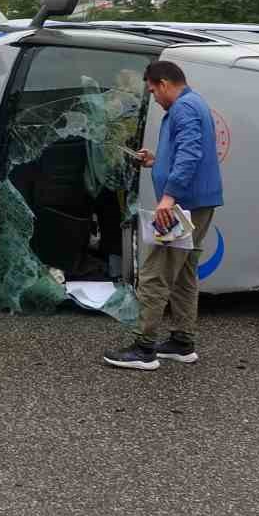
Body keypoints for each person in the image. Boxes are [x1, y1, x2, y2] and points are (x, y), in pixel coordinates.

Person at [103, 60, 223, 371]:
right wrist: (155, 160)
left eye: (154, 89)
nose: (154, 96)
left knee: (155, 272)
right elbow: (185, 151)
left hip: (182, 206)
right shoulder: (194, 104)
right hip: (197, 203)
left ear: (166, 83)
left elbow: (190, 153)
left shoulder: (184, 108)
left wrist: (168, 197)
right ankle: (182, 342)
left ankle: (144, 348)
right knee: (184, 273)